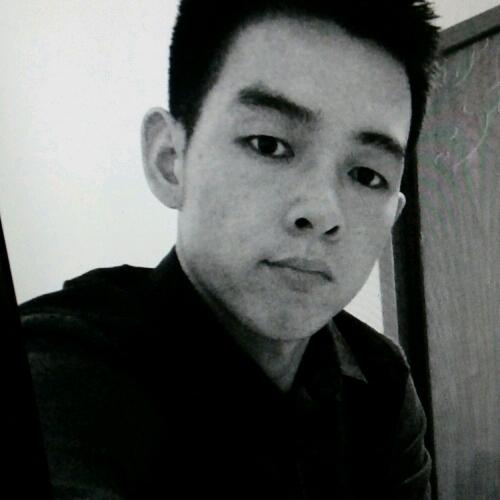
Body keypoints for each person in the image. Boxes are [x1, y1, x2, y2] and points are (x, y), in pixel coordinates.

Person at [21, 1, 439, 498]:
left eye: (367, 175)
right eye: (268, 144)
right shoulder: (63, 375)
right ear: (170, 160)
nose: (322, 211)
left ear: (392, 215)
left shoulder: (380, 382)